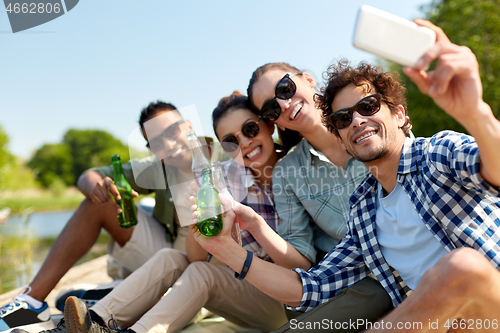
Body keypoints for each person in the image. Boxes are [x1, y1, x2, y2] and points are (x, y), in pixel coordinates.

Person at [191, 20, 500, 332]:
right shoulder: (364, 212)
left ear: (399, 114)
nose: (357, 121)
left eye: (368, 106)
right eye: (342, 119)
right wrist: (226, 250)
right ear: (339, 138)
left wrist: (475, 112)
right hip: (436, 321)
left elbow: (492, 170)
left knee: (464, 267)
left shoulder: (437, 155)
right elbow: (308, 287)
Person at [61, 93, 297, 333]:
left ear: (269, 126)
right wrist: (199, 222)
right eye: (232, 141)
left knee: (201, 273)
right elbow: (196, 258)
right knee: (173, 258)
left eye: (250, 129)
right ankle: (95, 321)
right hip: (238, 283)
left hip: (281, 297)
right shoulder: (227, 177)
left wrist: (251, 225)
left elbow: (302, 263)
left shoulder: (295, 176)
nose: (244, 144)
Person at [0, 101, 218, 332]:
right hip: (169, 255)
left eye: (172, 131)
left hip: (211, 263)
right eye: (156, 143)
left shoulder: (226, 159)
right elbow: (89, 175)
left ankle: (104, 297)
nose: (168, 144)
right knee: (101, 201)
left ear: (189, 125)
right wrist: (100, 188)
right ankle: (31, 303)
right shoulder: (159, 167)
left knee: (165, 304)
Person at [247, 63, 393, 329]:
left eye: (286, 88)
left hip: (398, 269)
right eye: (271, 107)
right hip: (346, 284)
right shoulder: (287, 172)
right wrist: (256, 225)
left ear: (308, 80)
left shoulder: (371, 126)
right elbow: (301, 259)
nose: (284, 103)